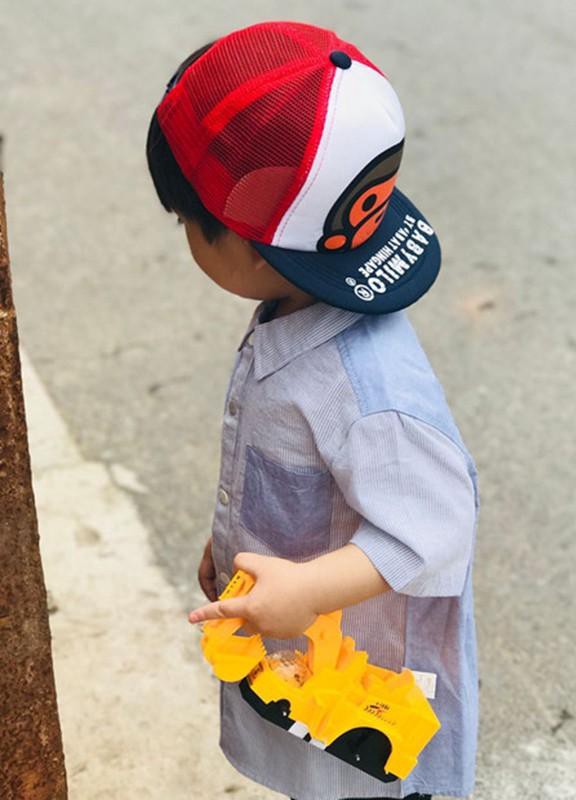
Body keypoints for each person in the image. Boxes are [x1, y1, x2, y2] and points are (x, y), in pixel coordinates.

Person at [145, 21, 480, 800]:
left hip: (366, 694)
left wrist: (303, 592)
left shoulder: (366, 390)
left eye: (189, 222)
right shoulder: (296, 309)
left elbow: (438, 525)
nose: (186, 236)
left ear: (254, 245)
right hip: (308, 670)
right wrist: (238, 538)